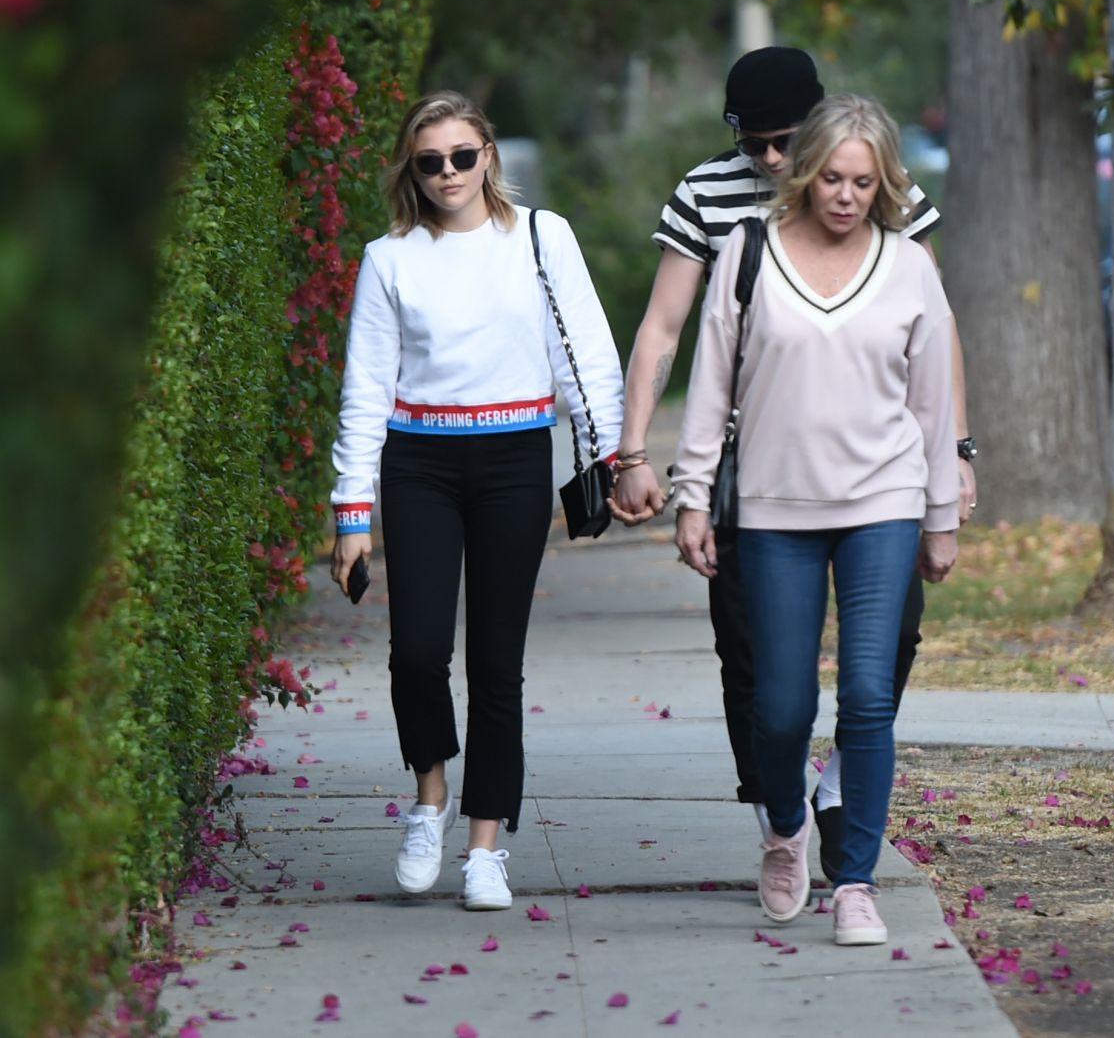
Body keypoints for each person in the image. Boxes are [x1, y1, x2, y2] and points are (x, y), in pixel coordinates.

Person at [609, 47, 977, 878]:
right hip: (759, 467)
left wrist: (956, 450)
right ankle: (781, 808)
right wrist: (635, 453)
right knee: (753, 659)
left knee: (894, 636)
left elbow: (935, 324)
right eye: (754, 143)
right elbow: (666, 329)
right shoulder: (709, 193)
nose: (771, 160)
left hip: (875, 463)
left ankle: (845, 781)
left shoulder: (872, 182)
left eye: (784, 141)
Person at [671, 93, 960, 945]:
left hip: (883, 504)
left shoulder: (908, 265)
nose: (845, 195)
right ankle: (786, 827)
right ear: (805, 174)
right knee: (783, 707)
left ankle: (857, 881)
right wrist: (695, 495)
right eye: (832, 177)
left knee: (870, 696)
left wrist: (941, 514)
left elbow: (935, 398)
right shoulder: (746, 253)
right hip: (773, 510)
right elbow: (711, 381)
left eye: (863, 182)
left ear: (885, 184)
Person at [329, 91, 623, 910]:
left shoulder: (540, 236)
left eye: (463, 156)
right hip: (419, 461)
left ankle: (487, 842)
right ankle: (430, 799)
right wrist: (351, 511)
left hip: (515, 457)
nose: (449, 173)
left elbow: (587, 354)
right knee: (418, 652)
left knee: (498, 660)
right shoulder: (389, 257)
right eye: (431, 161)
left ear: (488, 154)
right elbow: (364, 389)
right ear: (411, 170)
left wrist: (608, 457)